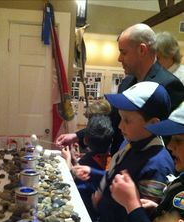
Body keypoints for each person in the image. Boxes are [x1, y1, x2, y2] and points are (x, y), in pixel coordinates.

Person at [56, 23, 184, 155]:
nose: (119, 58)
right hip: (121, 161)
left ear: (142, 50)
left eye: (123, 52)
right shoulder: (127, 82)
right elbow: (113, 118)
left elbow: (171, 141)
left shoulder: (169, 85)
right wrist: (78, 136)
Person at [93, 81, 175, 222]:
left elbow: (143, 221)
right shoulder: (131, 142)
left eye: (128, 120)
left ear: (154, 124)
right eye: (120, 118)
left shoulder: (157, 165)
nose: (120, 126)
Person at [61, 115, 114, 222]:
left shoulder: (88, 161)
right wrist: (75, 161)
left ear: (85, 140)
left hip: (84, 212)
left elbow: (69, 182)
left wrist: (67, 159)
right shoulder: (111, 158)